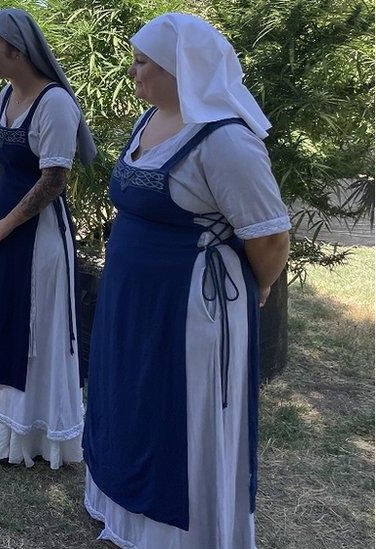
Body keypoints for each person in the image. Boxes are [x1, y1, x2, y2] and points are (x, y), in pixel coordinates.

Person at [82, 13, 291, 548]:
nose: (133, 73)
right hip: (134, 303)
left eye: (142, 63)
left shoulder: (225, 140)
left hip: (191, 310)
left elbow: (268, 237)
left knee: (178, 416)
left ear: (180, 67)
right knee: (133, 405)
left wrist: (260, 287)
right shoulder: (149, 122)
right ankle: (130, 520)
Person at [0, 8, 96, 467]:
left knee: (32, 325)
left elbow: (54, 179)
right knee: (0, 314)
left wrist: (8, 223)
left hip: (36, 237)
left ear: (16, 50)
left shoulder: (55, 103)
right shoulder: (5, 98)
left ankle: (30, 431)